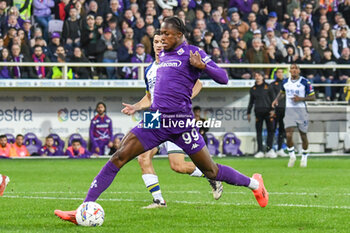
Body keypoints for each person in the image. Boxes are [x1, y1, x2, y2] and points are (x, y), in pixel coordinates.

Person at [55, 17, 268, 224]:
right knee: (119, 156)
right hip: (156, 119)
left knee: (211, 170)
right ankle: (83, 208)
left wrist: (203, 67)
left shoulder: (193, 52)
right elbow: (155, 92)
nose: (162, 37)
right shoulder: (161, 57)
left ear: (179, 34)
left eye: (166, 34)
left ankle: (255, 184)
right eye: (160, 34)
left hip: (181, 122)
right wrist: (138, 106)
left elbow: (223, 77)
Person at [121, 30, 221, 208]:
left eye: (162, 41)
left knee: (178, 166)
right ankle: (158, 200)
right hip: (154, 116)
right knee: (142, 157)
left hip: (174, 115)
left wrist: (182, 99)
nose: (159, 45)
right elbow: (149, 97)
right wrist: (135, 107)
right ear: (152, 45)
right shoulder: (149, 70)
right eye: (156, 42)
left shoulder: (176, 62)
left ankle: (210, 174)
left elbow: (198, 84)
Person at [272, 64, 316, 168]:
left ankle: (304, 156)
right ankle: (292, 156)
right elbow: (282, 92)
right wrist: (276, 99)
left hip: (301, 112)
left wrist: (300, 99)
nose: (294, 70)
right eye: (292, 68)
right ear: (290, 71)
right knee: (288, 135)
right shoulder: (286, 81)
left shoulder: (305, 82)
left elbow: (313, 97)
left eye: (296, 68)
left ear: (299, 71)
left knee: (303, 135)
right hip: (289, 112)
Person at [247, 71, 276, 159]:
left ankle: (269, 149)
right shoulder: (253, 89)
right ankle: (260, 150)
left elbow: (274, 99)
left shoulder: (268, 86)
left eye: (259, 75)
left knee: (270, 131)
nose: (257, 77)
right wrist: (248, 112)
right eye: (256, 76)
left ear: (263, 77)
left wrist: (273, 110)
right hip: (258, 113)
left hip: (269, 112)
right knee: (259, 132)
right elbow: (251, 102)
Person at [270, 68, 288, 157]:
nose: (280, 74)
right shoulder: (272, 85)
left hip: (284, 110)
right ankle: (271, 149)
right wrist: (272, 109)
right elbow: (271, 98)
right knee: (272, 130)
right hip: (275, 110)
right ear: (276, 74)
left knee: (282, 130)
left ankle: (280, 149)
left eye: (281, 72)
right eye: (278, 72)